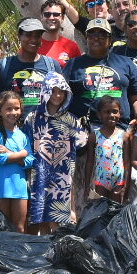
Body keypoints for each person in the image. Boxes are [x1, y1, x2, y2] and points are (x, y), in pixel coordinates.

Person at [24, 72, 85, 233]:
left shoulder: (71, 120)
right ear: (45, 91)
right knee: (41, 217)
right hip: (39, 174)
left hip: (63, 176)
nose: (57, 95)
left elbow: (82, 143)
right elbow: (27, 144)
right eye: (53, 90)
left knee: (58, 221)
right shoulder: (32, 118)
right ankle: (44, 251)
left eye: (61, 91)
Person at [64, 19, 137, 122]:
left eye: (102, 34)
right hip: (82, 129)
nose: (96, 38)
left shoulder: (126, 63)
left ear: (110, 39)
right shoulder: (73, 64)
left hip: (118, 128)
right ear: (86, 38)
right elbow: (61, 97)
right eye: (91, 34)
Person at [0, 90, 32, 232]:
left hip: (19, 188)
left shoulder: (23, 135)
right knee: (2, 228)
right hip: (1, 187)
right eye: (9, 108)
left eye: (17, 108)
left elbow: (31, 161)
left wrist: (12, 153)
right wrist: (22, 154)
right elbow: (1, 159)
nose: (13, 112)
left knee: (19, 227)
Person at [0, 18, 60, 104]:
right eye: (28, 35)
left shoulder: (52, 66)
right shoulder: (4, 65)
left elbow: (60, 97)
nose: (33, 39)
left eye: (37, 35)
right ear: (19, 36)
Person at [84, 96, 130, 205]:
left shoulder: (124, 136)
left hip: (119, 181)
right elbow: (90, 162)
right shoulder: (94, 136)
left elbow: (127, 163)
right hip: (101, 181)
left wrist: (127, 186)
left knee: (115, 212)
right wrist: (86, 186)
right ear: (99, 114)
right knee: (101, 211)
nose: (111, 115)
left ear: (120, 114)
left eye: (115, 112)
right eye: (107, 112)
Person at [37, 0, 81, 67]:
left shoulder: (72, 47)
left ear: (62, 18)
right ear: (42, 17)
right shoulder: (30, 46)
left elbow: (77, 74)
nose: (51, 18)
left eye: (56, 14)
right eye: (47, 14)